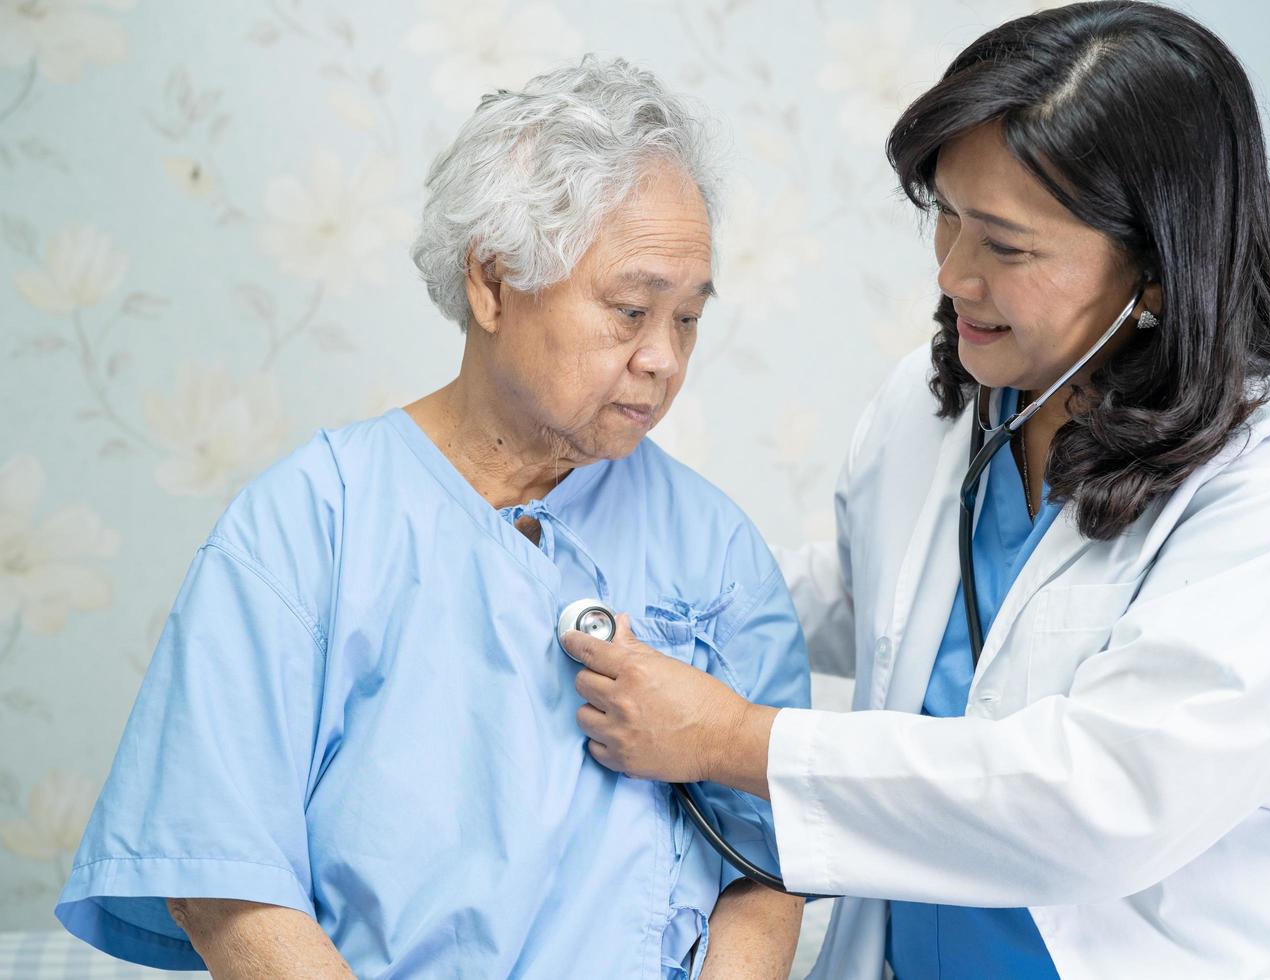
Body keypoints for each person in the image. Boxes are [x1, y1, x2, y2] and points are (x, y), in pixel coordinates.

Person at [559, 5, 1270, 978]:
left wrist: (736, 740)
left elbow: (1112, 796)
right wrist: (640, 582)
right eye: (945, 214)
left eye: (1005, 245)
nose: (952, 276)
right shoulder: (942, 403)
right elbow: (874, 604)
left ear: (1155, 269)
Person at [56, 56, 807, 979]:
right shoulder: (307, 526)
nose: (662, 358)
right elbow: (221, 878)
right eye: (629, 310)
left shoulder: (718, 550)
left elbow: (767, 864)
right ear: (492, 284)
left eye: (687, 319)